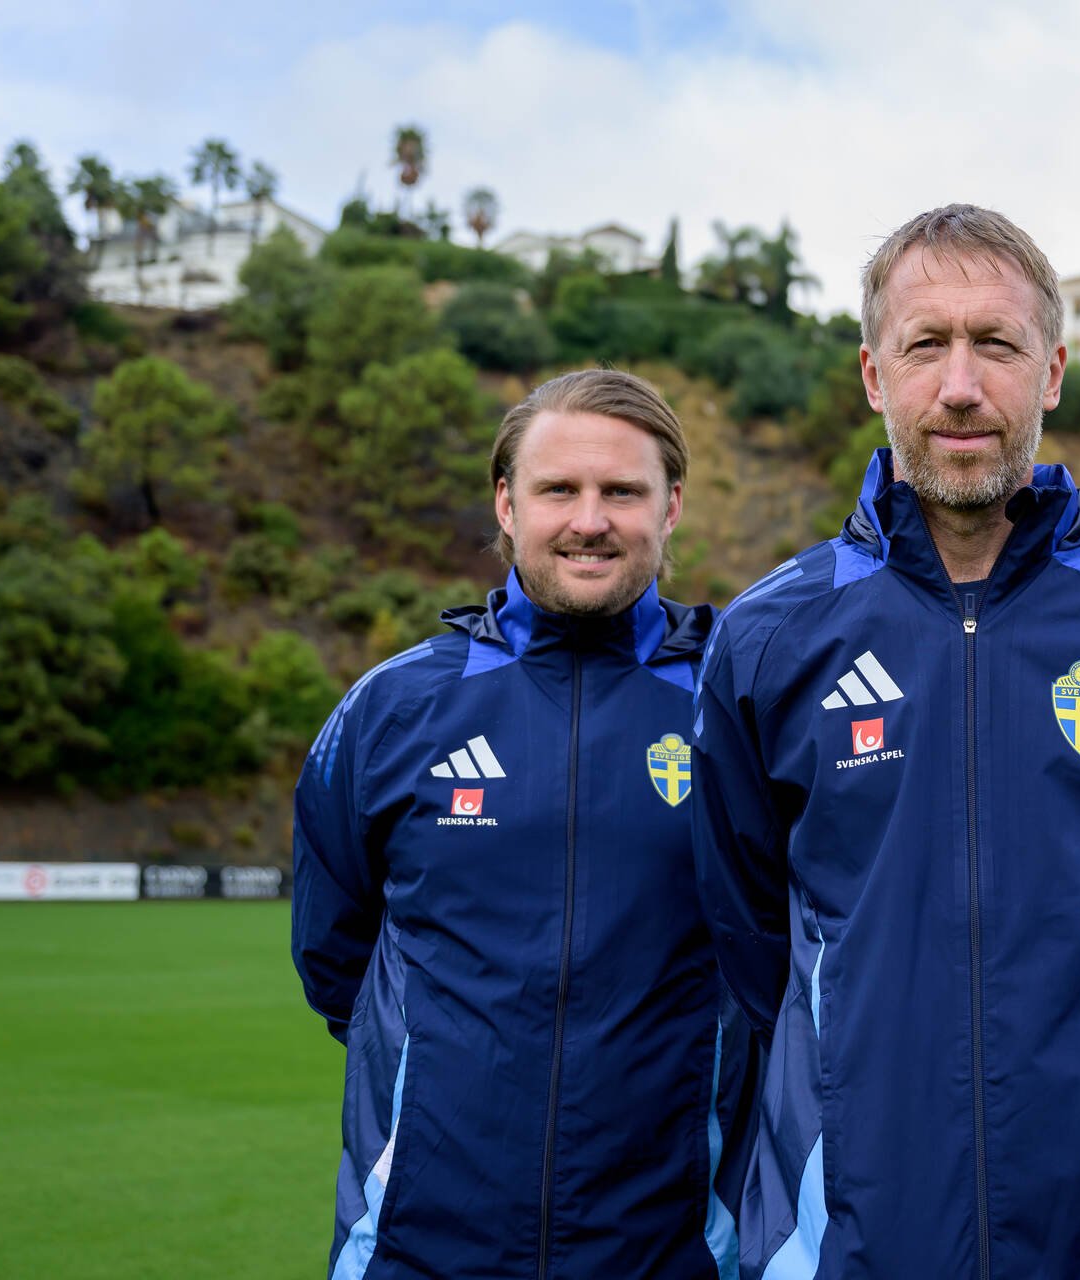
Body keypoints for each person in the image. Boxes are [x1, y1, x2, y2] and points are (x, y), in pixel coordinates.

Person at [690, 203, 1080, 1279]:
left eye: (996, 343)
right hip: (845, 1231)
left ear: (1052, 372)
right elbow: (749, 934)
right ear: (870, 373)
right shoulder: (768, 633)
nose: (959, 385)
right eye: (924, 344)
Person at [292, 370, 747, 1279]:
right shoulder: (392, 709)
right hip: (419, 1247)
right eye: (558, 490)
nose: (590, 520)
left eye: (622, 491)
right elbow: (335, 959)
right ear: (506, 504)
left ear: (673, 506)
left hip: (673, 1250)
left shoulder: (740, 705)